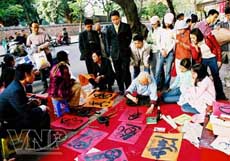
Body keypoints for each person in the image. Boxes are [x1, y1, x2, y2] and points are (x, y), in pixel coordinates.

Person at [0, 63, 50, 146]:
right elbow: (26, 113)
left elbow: (20, 104)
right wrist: (42, 108)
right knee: (43, 114)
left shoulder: (17, 84)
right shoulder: (16, 89)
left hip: (13, 115)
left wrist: (32, 101)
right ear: (26, 74)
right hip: (8, 124)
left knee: (38, 106)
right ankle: (40, 143)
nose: (35, 75)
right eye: (33, 73)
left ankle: (38, 138)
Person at [190, 28, 227, 100]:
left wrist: (219, 60)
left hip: (212, 58)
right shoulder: (193, 44)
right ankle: (206, 95)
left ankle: (220, 95)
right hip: (203, 60)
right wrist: (195, 48)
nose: (192, 39)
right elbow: (195, 57)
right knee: (202, 77)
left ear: (198, 36)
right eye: (191, 38)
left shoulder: (208, 37)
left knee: (216, 76)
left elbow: (217, 47)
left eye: (193, 37)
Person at [106, 10, 132, 95]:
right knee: (118, 72)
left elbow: (129, 38)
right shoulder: (109, 28)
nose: (115, 21)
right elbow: (108, 41)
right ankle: (121, 88)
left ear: (119, 18)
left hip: (125, 53)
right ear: (111, 20)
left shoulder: (126, 26)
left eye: (116, 19)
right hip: (114, 53)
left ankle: (128, 88)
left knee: (126, 71)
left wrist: (125, 46)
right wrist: (109, 52)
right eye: (113, 20)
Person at [26, 21, 52, 93]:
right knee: (42, 72)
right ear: (31, 28)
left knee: (51, 70)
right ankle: (45, 87)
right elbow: (28, 48)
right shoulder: (29, 37)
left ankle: (54, 84)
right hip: (38, 56)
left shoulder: (44, 34)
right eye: (34, 27)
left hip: (46, 54)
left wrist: (41, 46)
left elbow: (48, 42)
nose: (36, 29)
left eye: (37, 27)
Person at [155, 13, 175, 90]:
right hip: (161, 52)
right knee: (158, 70)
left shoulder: (173, 30)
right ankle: (157, 86)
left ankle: (166, 86)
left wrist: (168, 50)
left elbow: (173, 42)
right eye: (166, 23)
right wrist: (162, 50)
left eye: (169, 23)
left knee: (168, 72)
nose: (167, 24)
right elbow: (158, 41)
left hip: (169, 53)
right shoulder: (160, 30)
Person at [217, 7, 230, 87]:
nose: (229, 17)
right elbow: (216, 30)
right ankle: (212, 78)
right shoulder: (222, 23)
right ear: (225, 15)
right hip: (223, 48)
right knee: (218, 64)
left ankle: (227, 80)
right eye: (228, 15)